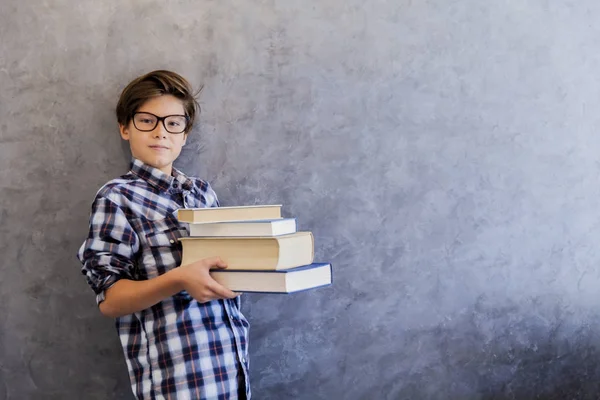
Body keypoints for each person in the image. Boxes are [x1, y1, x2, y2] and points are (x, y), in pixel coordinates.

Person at [77, 70, 250, 399]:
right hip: (177, 380)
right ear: (125, 128)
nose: (161, 132)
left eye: (173, 123)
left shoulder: (202, 193)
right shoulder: (117, 198)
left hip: (230, 367)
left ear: (184, 134)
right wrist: (180, 279)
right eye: (147, 120)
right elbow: (111, 301)